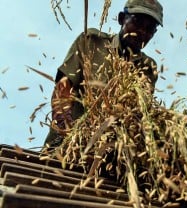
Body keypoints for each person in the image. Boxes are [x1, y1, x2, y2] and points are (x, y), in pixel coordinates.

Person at [44, 0, 163, 149]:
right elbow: (63, 87)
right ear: (121, 19)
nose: (142, 32)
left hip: (111, 155)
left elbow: (139, 115)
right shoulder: (91, 42)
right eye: (137, 22)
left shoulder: (148, 68)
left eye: (150, 28)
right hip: (67, 146)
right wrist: (67, 128)